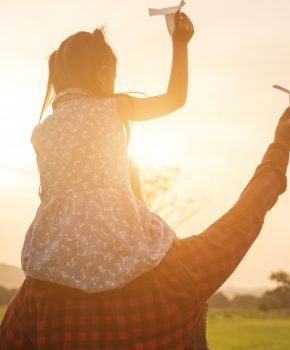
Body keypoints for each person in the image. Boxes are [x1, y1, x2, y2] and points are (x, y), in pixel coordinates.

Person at [0, 101, 290, 348]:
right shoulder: (178, 274)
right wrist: (281, 146)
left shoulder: (39, 292)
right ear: (136, 201)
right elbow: (245, 216)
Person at [20, 13, 194, 293]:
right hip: (118, 237)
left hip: (51, 250)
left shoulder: (41, 131)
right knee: (188, 282)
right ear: (102, 73)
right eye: (113, 75)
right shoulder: (114, 107)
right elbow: (175, 98)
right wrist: (180, 43)